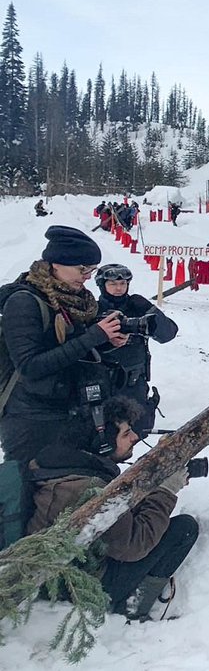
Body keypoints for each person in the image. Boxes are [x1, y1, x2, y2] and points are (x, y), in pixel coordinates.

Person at [26, 395, 198, 621]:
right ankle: (134, 607)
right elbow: (135, 545)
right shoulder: (87, 488)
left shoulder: (63, 463)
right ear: (103, 443)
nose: (135, 437)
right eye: (126, 434)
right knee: (184, 529)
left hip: (61, 570)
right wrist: (166, 491)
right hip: (75, 584)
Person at [0, 226, 129, 465]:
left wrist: (104, 341)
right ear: (56, 264)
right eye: (82, 269)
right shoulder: (23, 302)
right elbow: (30, 366)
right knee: (28, 490)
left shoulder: (73, 301)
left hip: (68, 409)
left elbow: (71, 352)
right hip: (30, 418)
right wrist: (92, 337)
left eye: (92, 270)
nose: (88, 276)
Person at [95, 264, 179, 437]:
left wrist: (151, 311)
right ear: (102, 285)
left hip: (134, 385)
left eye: (123, 284)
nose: (118, 288)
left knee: (136, 435)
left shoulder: (137, 308)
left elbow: (168, 334)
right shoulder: (93, 310)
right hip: (103, 385)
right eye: (112, 284)